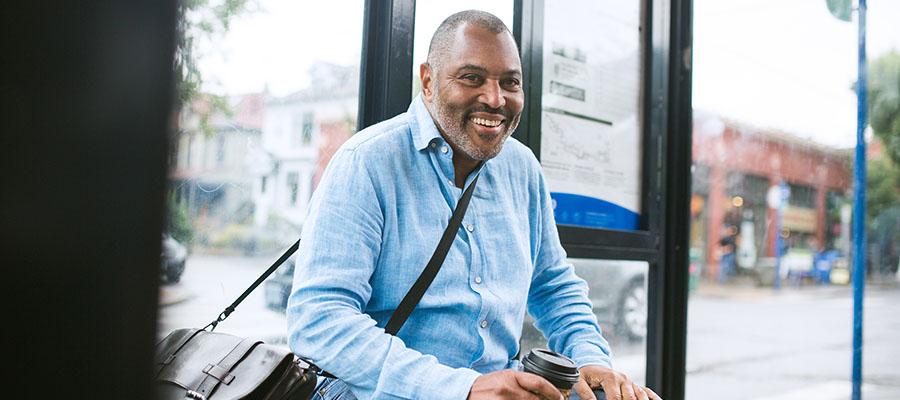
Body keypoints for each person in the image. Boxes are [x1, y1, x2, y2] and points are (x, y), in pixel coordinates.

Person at [287, 10, 660, 400]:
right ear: (428, 81)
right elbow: (320, 320)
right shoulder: (367, 162)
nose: (495, 99)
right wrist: (463, 389)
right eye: (472, 78)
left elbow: (553, 286)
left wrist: (590, 358)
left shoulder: (522, 168)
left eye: (510, 82)